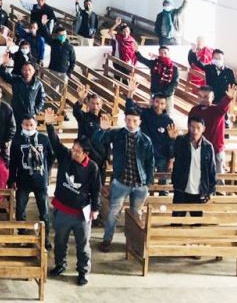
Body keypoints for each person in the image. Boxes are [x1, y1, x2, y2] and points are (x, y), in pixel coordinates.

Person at [44, 109, 101, 287]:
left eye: (77, 151)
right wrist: (49, 125)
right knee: (59, 241)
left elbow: (96, 189)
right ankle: (60, 265)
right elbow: (55, 142)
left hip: (81, 213)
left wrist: (95, 208)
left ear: (86, 153)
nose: (73, 152)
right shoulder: (66, 157)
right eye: (73, 149)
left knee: (83, 245)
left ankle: (83, 271)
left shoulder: (92, 168)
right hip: (62, 210)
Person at [94, 102, 155, 253]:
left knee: (136, 215)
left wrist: (148, 182)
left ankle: (135, 244)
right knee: (114, 213)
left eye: (135, 120)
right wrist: (101, 129)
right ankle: (107, 240)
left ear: (140, 121)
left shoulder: (146, 140)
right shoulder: (117, 134)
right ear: (124, 119)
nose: (131, 123)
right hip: (121, 182)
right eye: (128, 120)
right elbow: (98, 140)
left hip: (140, 184)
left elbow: (150, 162)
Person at [8, 115, 54, 250]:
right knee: (20, 209)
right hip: (23, 181)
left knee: (44, 211)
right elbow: (13, 163)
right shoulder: (17, 140)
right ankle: (22, 236)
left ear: (36, 126)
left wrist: (47, 172)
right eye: (26, 125)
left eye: (31, 125)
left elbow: (51, 157)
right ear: (21, 125)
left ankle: (45, 238)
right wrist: (12, 180)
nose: (28, 128)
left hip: (40, 181)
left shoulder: (44, 139)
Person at [171, 117, 217, 215]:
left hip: (199, 190)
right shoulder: (180, 141)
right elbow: (171, 154)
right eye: (192, 127)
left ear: (203, 129)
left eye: (198, 128)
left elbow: (211, 170)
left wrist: (210, 190)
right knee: (176, 221)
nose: (195, 131)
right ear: (188, 126)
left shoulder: (208, 147)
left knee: (197, 222)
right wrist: (171, 140)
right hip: (181, 188)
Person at [188, 84, 237, 174]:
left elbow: (224, 105)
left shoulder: (218, 110)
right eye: (200, 96)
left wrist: (229, 98)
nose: (203, 99)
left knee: (218, 177)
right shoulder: (194, 110)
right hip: (199, 148)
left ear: (212, 97)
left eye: (206, 97)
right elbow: (190, 128)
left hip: (216, 150)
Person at [0, 56, 44, 128]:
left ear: (34, 71)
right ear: (22, 71)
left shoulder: (38, 84)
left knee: (29, 132)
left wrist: (35, 110)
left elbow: (41, 99)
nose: (27, 72)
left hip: (30, 114)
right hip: (16, 112)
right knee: (15, 131)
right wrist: (4, 65)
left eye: (29, 70)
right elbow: (3, 75)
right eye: (25, 70)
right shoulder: (16, 80)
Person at [135, 46, 179, 115]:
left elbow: (174, 83)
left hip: (167, 95)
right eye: (161, 53)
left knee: (168, 113)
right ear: (159, 54)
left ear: (169, 54)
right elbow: (143, 60)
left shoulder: (174, 68)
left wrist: (163, 93)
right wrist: (136, 52)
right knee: (152, 113)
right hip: (155, 93)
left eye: (165, 53)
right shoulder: (155, 64)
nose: (163, 54)